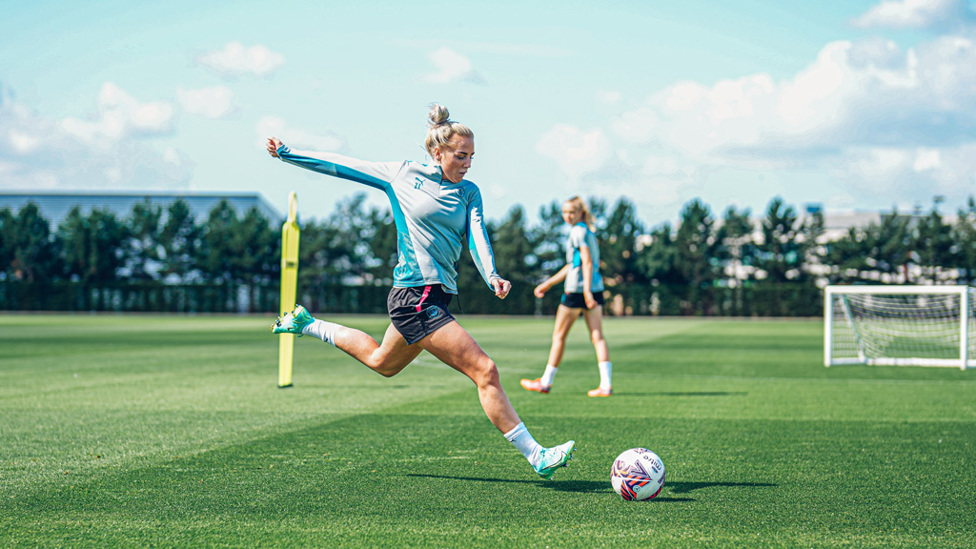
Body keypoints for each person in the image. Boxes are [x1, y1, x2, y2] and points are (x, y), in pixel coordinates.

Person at [266, 104, 575, 479]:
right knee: (485, 370)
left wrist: (491, 274)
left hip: (435, 297)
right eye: (461, 156)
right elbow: (343, 165)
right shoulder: (402, 175)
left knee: (383, 362)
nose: (468, 164)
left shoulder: (469, 192)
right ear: (437, 152)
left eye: (472, 157)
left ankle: (307, 323)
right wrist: (288, 153)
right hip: (415, 297)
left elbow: (476, 234)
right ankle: (536, 455)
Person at [520, 196, 613, 397]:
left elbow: (586, 263)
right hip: (594, 288)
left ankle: (545, 382)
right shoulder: (587, 231)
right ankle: (606, 385)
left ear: (580, 213)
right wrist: (548, 283)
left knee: (559, 336)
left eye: (571, 212)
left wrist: (585, 291)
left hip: (577, 291)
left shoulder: (578, 232)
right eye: (564, 212)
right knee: (597, 336)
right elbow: (573, 265)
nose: (567, 216)